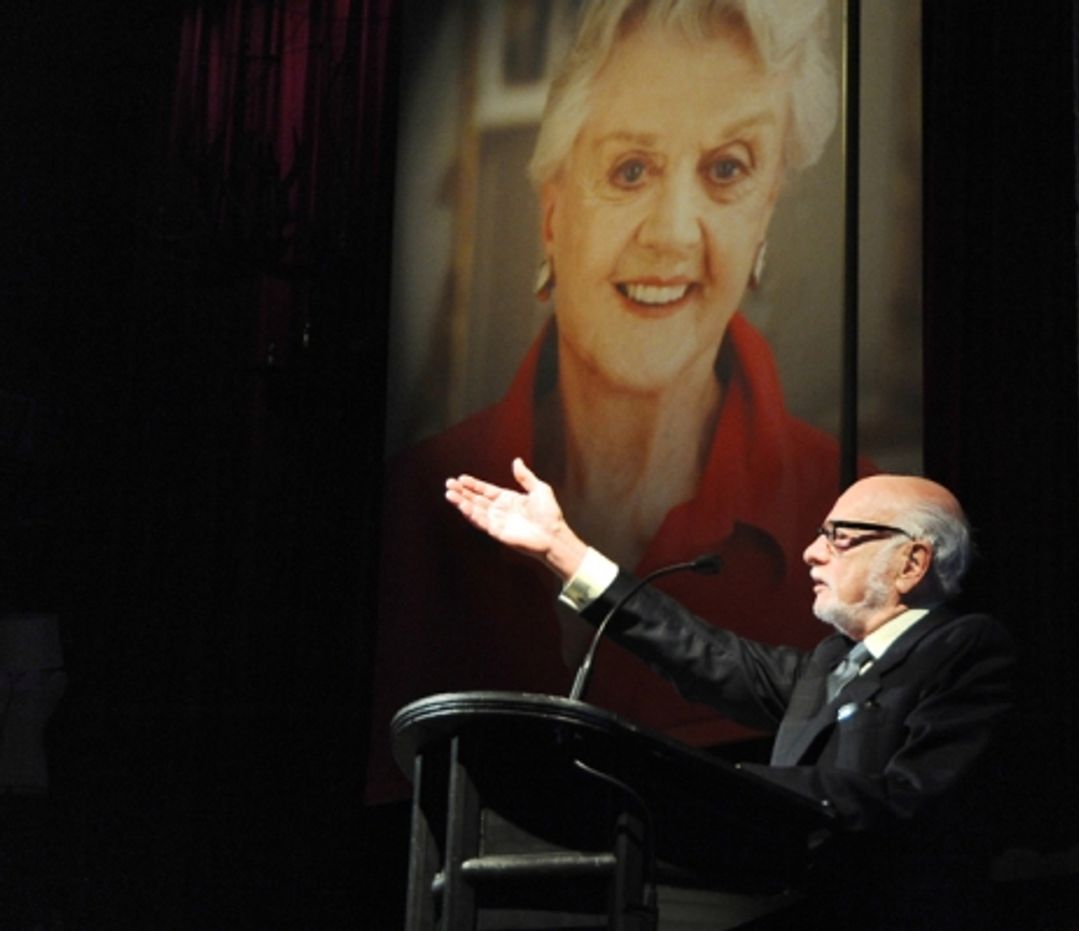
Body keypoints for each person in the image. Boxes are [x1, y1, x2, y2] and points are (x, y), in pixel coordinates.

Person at [367, 0, 866, 803]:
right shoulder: (410, 507)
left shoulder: (855, 522)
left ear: (767, 211)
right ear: (553, 211)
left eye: (728, 168)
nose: (672, 233)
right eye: (630, 169)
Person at [444, 458, 1017, 928]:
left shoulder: (965, 648)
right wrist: (560, 550)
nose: (812, 553)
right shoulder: (826, 664)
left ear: (913, 562)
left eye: (838, 537)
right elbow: (701, 653)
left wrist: (735, 788)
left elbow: (914, 798)